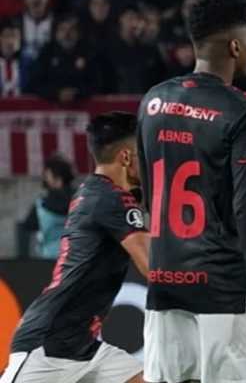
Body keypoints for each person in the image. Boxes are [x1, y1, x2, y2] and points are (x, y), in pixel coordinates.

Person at [137, 0, 246, 383]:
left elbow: (147, 191)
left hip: (165, 282)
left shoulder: (153, 100)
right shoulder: (241, 112)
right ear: (235, 47)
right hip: (222, 288)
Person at [0, 111, 150, 383]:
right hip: (48, 344)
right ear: (126, 157)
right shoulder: (112, 199)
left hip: (84, 345)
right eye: (143, 154)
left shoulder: (93, 192)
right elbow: (152, 267)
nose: (149, 163)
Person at [16, 155, 75, 259]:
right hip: (78, 261)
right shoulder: (82, 201)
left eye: (47, 176)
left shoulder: (42, 205)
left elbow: (26, 228)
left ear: (58, 179)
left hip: (48, 262)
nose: (45, 180)